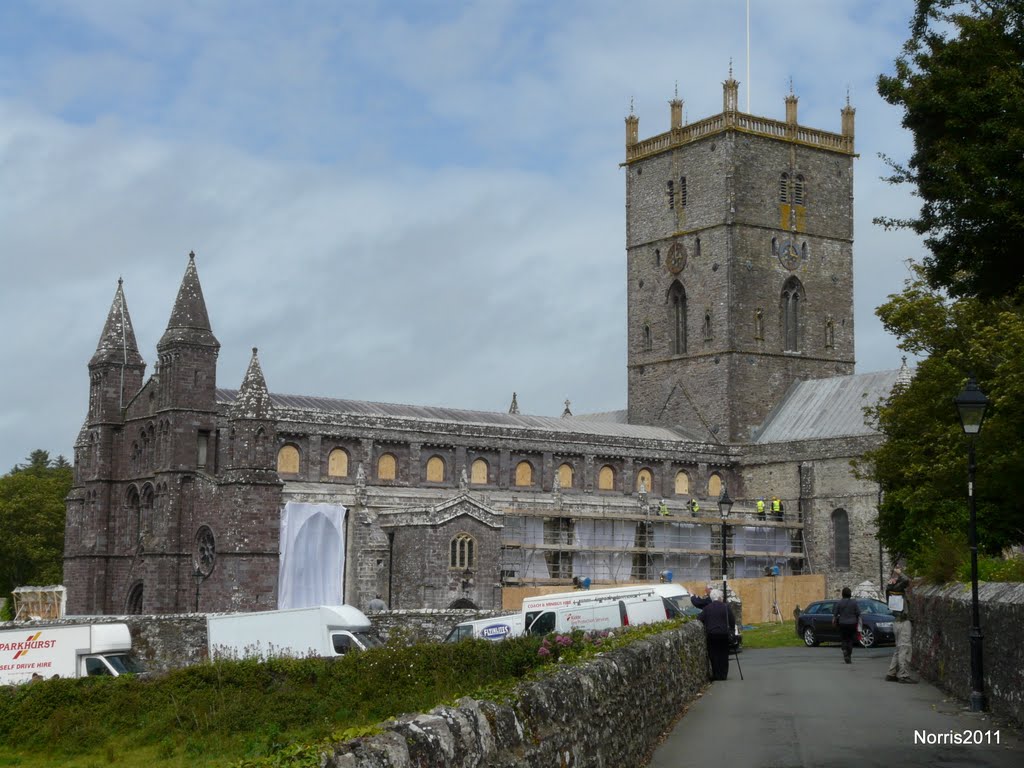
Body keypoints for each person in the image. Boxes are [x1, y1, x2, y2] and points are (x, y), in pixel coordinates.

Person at [885, 566, 917, 683]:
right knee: (905, 648)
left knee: (899, 648)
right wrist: (899, 573)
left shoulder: (890, 589)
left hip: (897, 621)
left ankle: (892, 672)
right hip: (903, 621)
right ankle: (903, 675)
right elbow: (906, 581)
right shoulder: (896, 587)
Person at [698, 588, 736, 681]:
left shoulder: (707, 608)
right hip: (724, 634)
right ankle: (723, 675)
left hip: (712, 634)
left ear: (711, 598)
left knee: (714, 654)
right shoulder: (726, 607)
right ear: (720, 597)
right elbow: (732, 620)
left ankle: (716, 674)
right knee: (723, 654)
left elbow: (699, 619)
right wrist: (731, 630)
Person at [832, 586, 861, 664]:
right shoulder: (854, 602)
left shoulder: (839, 603)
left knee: (844, 639)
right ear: (850, 594)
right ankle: (849, 656)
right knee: (850, 640)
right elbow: (858, 613)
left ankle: (844, 650)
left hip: (842, 623)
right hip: (852, 623)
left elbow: (835, 614)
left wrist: (834, 621)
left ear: (842, 594)